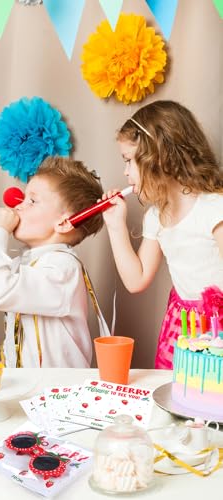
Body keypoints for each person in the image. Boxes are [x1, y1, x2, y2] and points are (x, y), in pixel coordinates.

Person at [102, 100, 223, 369]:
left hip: (218, 327)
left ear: (159, 156)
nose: (125, 172)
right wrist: (115, 225)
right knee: (178, 389)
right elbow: (136, 280)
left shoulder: (215, 209)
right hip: (181, 326)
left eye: (129, 161)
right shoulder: (156, 216)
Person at [0, 156, 108, 368]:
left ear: (64, 222)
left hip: (58, 387)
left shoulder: (63, 269)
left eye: (32, 201)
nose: (18, 206)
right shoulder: (28, 262)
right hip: (31, 384)